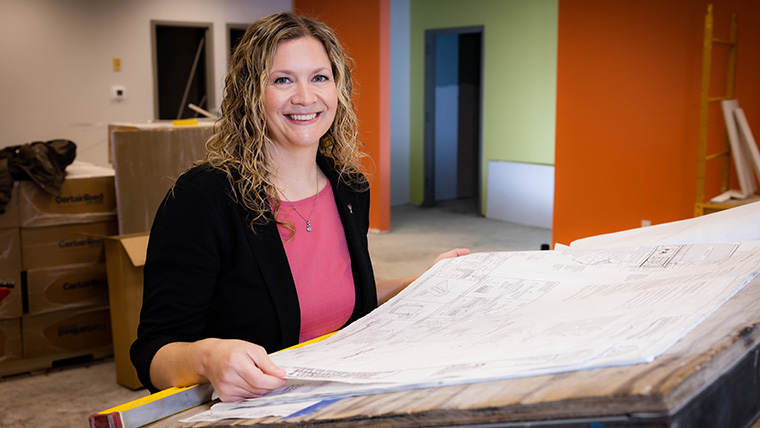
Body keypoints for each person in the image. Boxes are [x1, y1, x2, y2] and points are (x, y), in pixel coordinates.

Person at [130, 11, 469, 403]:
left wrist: (424, 282)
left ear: (338, 89)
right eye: (282, 80)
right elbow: (152, 353)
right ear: (251, 92)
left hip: (337, 397)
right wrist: (208, 357)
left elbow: (340, 296)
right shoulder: (204, 199)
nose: (305, 97)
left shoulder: (349, 188)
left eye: (319, 77)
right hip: (250, 409)